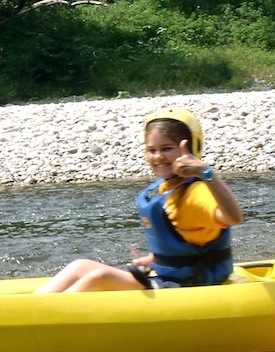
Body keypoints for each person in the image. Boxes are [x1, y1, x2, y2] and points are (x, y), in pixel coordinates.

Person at [35, 107, 244, 293]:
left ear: (190, 148)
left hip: (191, 286)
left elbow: (233, 217)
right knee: (80, 266)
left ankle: (41, 323)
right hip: (171, 279)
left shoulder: (196, 193)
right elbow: (195, 241)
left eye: (167, 149)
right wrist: (155, 259)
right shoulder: (165, 188)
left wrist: (207, 173)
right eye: (151, 150)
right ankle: (30, 312)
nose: (158, 157)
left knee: (100, 278)